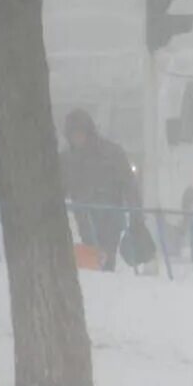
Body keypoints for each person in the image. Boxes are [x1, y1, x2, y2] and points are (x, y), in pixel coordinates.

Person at [60, 110, 137, 271]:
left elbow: (129, 184)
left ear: (89, 132)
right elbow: (61, 186)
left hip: (110, 217)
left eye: (80, 133)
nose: (77, 138)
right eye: (73, 134)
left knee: (106, 255)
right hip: (85, 218)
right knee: (91, 256)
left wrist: (136, 214)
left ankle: (105, 277)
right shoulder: (68, 159)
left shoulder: (111, 153)